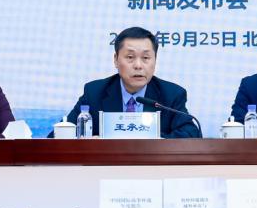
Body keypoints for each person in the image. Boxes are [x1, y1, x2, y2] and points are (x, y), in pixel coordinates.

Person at [60, 26, 200, 138]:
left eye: (146, 58)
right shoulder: (94, 92)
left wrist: (150, 141)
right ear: (116, 60)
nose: (138, 65)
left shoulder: (171, 95)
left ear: (155, 60)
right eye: (130, 57)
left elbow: (192, 135)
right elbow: (60, 135)